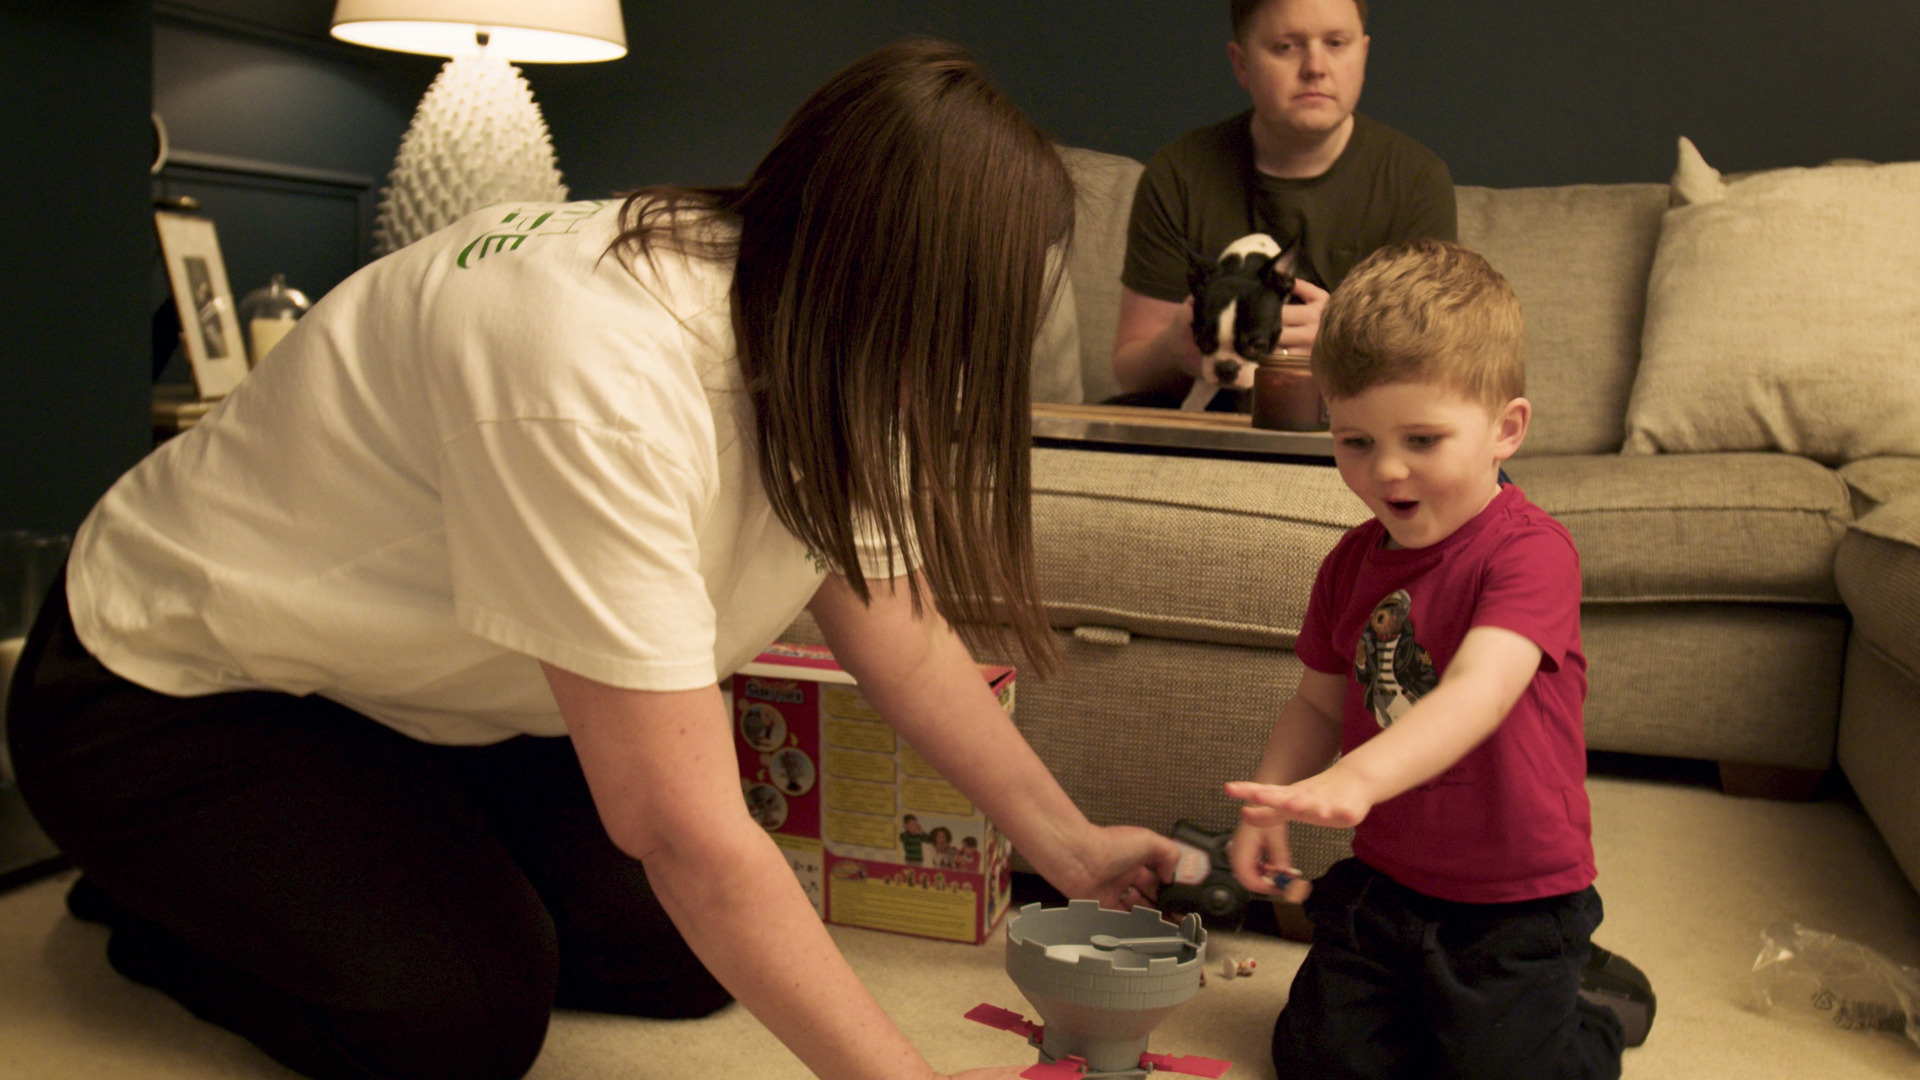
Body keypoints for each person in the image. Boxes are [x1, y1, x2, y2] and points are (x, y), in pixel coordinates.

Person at [6, 39, 1180, 1080]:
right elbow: (678, 831)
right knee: (461, 1024)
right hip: (171, 695)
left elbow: (899, 625)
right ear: (880, 275)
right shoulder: (596, 378)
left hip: (419, 698)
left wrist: (1066, 844)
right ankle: (150, 903)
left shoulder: (833, 327)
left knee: (679, 961)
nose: (969, 375)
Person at [1222, 239, 1655, 1078]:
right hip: (1389, 882)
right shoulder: (1349, 564)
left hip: (1518, 901)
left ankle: (1591, 1014)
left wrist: (1360, 777)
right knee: (1317, 1058)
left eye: (1422, 438)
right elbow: (1316, 705)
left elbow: (1478, 691)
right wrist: (1269, 804)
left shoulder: (1530, 554)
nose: (1386, 470)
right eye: (1354, 440)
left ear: (1506, 430)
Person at [1110, 0, 1456, 409]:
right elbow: (1130, 369)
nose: (1315, 66)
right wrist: (1175, 346)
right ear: (1241, 64)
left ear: (1362, 54)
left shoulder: (1416, 180)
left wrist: (1342, 342)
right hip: (1208, 429)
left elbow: (1440, 370)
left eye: (1336, 43)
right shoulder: (1179, 173)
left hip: (1352, 435)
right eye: (1286, 46)